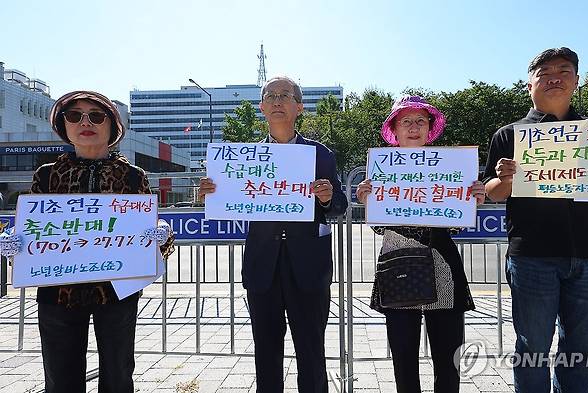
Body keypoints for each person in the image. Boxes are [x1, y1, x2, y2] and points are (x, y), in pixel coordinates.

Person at [482, 47, 588, 393]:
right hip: (531, 256)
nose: (554, 77)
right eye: (545, 72)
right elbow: (492, 193)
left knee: (584, 350)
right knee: (532, 349)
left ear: (576, 81)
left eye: (564, 70)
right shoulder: (509, 134)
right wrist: (506, 179)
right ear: (529, 84)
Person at [1, 91, 175, 393]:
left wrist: (161, 234)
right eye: (74, 115)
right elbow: (34, 226)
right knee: (60, 376)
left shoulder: (133, 176)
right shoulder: (47, 175)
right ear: (63, 126)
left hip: (117, 290)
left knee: (119, 375)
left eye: (96, 116)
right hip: (57, 291)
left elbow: (150, 225)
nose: (85, 122)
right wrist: (15, 243)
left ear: (112, 126)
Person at [198, 76, 347, 393]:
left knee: (311, 352)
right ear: (262, 107)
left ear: (299, 107)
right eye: (271, 96)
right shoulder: (243, 160)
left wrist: (327, 197)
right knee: (265, 352)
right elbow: (229, 203)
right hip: (262, 266)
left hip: (309, 266)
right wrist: (212, 192)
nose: (278, 101)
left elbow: (339, 206)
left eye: (285, 95)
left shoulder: (320, 154)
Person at [356, 95, 485, 393]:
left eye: (420, 122)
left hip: (443, 266)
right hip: (397, 265)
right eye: (406, 122)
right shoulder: (380, 170)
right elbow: (378, 225)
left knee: (448, 357)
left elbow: (455, 221)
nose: (413, 128)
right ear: (395, 130)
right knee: (403, 356)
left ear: (429, 129)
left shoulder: (452, 168)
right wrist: (367, 201)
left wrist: (473, 197)